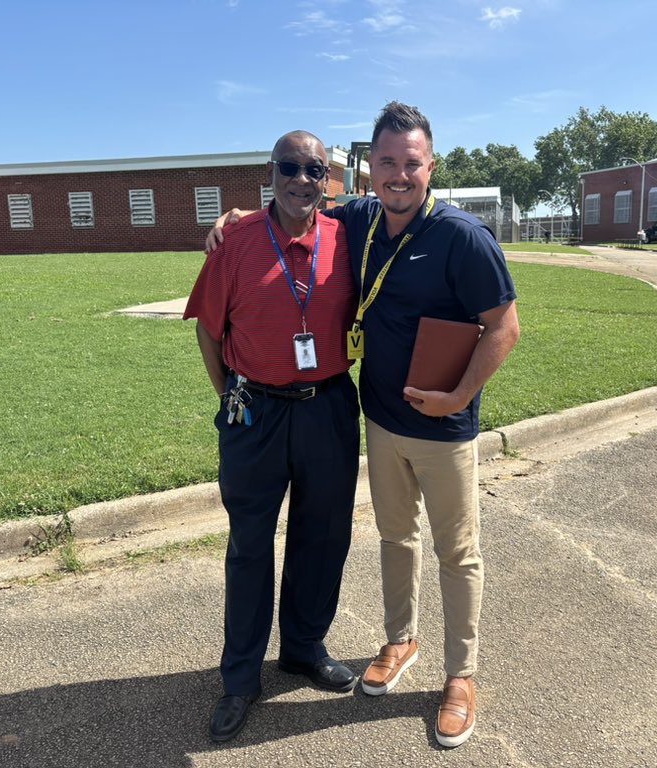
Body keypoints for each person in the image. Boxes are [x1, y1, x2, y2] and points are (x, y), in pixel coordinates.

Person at [208, 101, 520, 748]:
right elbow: (215, 323)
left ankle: (409, 667)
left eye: (411, 163)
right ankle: (258, 672)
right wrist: (235, 218)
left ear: (430, 166)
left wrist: (460, 394)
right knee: (303, 544)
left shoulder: (418, 233)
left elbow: (504, 327)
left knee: (386, 546)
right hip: (317, 414)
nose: (397, 175)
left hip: (380, 415)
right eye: (386, 164)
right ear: (368, 170)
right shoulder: (323, 225)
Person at [184, 130, 361, 744]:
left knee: (324, 534)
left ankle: (305, 648)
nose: (301, 179)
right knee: (251, 545)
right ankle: (240, 678)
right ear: (271, 171)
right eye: (290, 167)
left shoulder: (348, 236)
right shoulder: (233, 239)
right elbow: (208, 330)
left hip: (329, 407)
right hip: (255, 410)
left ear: (327, 179)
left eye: (314, 169)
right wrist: (229, 394)